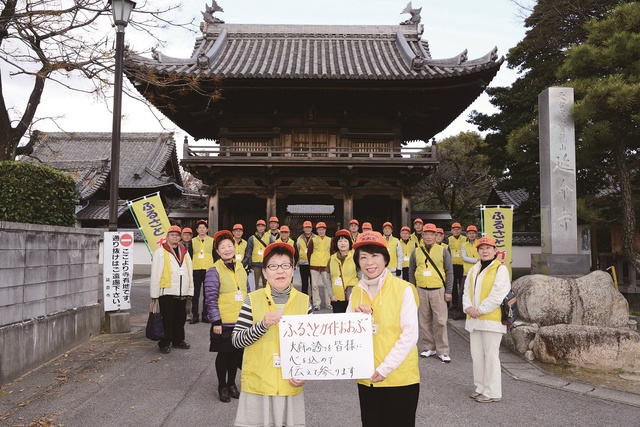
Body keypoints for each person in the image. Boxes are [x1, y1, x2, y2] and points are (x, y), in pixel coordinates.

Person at [231, 242, 311, 427]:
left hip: (289, 384)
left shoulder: (304, 301)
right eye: (273, 266)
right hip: (258, 384)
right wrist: (262, 325)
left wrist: (305, 372)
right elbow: (236, 340)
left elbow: (311, 347)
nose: (280, 271)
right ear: (265, 272)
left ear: (293, 270)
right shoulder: (252, 300)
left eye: (285, 265)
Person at [347, 231, 420, 427]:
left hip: (400, 379)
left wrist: (385, 368)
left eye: (374, 256)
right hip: (367, 378)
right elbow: (346, 333)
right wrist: (355, 318)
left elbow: (410, 335)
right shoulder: (356, 291)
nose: (369, 262)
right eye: (363, 257)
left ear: (385, 259)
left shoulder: (404, 289)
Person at [462, 236, 510, 403]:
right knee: (477, 355)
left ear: (495, 250)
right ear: (478, 251)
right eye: (481, 248)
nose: (485, 250)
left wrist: (479, 310)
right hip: (474, 319)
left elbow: (498, 294)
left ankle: (493, 392)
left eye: (488, 248)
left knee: (491, 356)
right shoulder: (474, 269)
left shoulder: (500, 269)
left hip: (491, 320)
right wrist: (468, 307)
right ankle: (480, 387)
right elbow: (466, 290)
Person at [204, 230, 249, 403]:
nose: (227, 249)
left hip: (241, 321)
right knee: (224, 355)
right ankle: (222, 386)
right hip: (223, 322)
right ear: (217, 251)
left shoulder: (241, 268)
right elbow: (210, 297)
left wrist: (250, 316)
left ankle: (232, 383)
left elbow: (248, 293)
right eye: (222, 247)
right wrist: (216, 320)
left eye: (229, 245)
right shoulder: (214, 271)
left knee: (236, 355)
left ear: (235, 247)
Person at [409, 223, 454, 363]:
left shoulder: (443, 250)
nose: (428, 236)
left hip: (438, 290)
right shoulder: (416, 251)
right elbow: (411, 271)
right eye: (426, 234)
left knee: (440, 321)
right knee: (424, 321)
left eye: (431, 234)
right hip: (421, 290)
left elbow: (449, 271)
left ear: (436, 236)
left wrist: (449, 291)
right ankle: (429, 347)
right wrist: (413, 288)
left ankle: (443, 350)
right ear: (422, 236)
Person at [149, 225, 193, 354]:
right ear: (167, 237)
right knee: (167, 319)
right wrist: (154, 293)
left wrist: (190, 290)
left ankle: (178, 340)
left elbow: (189, 271)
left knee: (180, 317)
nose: (175, 237)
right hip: (166, 291)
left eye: (177, 235)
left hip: (182, 290)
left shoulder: (184, 252)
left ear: (180, 238)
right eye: (172, 235)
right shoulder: (160, 252)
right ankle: (164, 342)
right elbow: (156, 273)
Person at [327, 229, 358, 313]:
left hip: (352, 296)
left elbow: (361, 275)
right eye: (340, 241)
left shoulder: (355, 256)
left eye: (345, 241)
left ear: (349, 243)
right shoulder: (332, 258)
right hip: (336, 298)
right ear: (336, 244)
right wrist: (331, 295)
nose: (343, 243)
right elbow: (328, 278)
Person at [191, 219, 214, 324]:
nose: (202, 229)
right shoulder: (192, 241)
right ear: (197, 230)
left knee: (207, 294)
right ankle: (195, 315)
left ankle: (205, 314)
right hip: (196, 269)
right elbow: (189, 255)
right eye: (200, 228)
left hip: (208, 269)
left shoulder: (212, 241)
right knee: (195, 294)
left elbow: (216, 256)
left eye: (203, 228)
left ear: (207, 229)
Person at [456, 225, 480, 320]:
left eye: (473, 233)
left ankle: (475, 312)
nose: (471, 235)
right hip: (466, 273)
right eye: (469, 233)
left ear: (476, 234)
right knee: (463, 293)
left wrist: (478, 260)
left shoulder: (480, 244)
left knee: (476, 292)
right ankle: (461, 312)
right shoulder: (464, 245)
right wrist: (476, 260)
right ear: (466, 234)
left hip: (478, 272)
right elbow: (464, 258)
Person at [307, 221, 332, 311]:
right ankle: (316, 303)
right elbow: (309, 253)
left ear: (325, 230)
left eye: (323, 229)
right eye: (319, 229)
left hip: (326, 265)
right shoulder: (313, 240)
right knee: (314, 285)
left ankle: (329, 303)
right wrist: (312, 261)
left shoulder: (330, 240)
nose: (321, 231)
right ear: (317, 230)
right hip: (314, 264)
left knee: (327, 285)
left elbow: (332, 252)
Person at [243, 219, 269, 289]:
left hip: (265, 264)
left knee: (266, 284)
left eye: (262, 226)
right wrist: (249, 263)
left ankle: (266, 298)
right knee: (254, 284)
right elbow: (249, 252)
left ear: (265, 227)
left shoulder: (269, 237)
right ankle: (255, 299)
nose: (260, 228)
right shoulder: (251, 238)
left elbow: (271, 251)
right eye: (259, 226)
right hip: (255, 264)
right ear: (256, 227)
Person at [447, 222, 467, 314]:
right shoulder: (448, 239)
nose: (456, 231)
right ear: (451, 230)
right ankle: (454, 303)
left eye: (458, 229)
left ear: (461, 230)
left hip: (462, 264)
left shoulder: (465, 239)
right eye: (454, 229)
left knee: (462, 285)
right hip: (452, 265)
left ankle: (461, 303)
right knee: (453, 285)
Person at [296, 220, 315, 300]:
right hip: (303, 263)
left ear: (311, 228)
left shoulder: (315, 238)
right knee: (304, 282)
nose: (307, 229)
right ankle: (305, 297)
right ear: (303, 229)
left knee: (313, 283)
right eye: (306, 228)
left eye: (309, 228)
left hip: (313, 263)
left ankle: (313, 297)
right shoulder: (299, 238)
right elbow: (297, 249)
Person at [181, 227, 194, 321]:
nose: (187, 236)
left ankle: (188, 313)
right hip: (181, 270)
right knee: (182, 292)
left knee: (190, 293)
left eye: (188, 235)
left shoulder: (194, 244)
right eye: (185, 235)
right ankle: (182, 312)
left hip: (193, 269)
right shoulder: (178, 245)